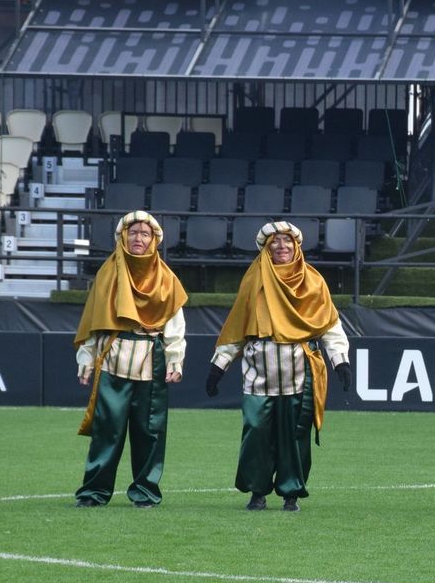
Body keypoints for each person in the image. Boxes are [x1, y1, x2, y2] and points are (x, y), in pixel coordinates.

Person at [205, 221, 351, 512]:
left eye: (287, 241)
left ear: (296, 245)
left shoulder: (313, 281)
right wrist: (218, 366)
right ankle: (257, 491)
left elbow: (330, 325)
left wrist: (340, 361)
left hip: (300, 372)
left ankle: (291, 493)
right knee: (256, 432)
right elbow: (237, 328)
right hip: (258, 372)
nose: (281, 246)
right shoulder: (253, 281)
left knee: (295, 435)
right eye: (275, 241)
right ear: (265, 247)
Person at [73, 211, 188, 507]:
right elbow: (94, 322)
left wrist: (175, 361)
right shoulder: (107, 274)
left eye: (145, 234)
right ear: (123, 236)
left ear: (154, 239)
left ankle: (145, 492)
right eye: (133, 232)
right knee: (106, 431)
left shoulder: (167, 279)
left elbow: (175, 326)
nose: (138, 238)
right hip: (113, 360)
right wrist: (86, 359)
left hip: (153, 360)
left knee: (149, 431)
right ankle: (94, 492)